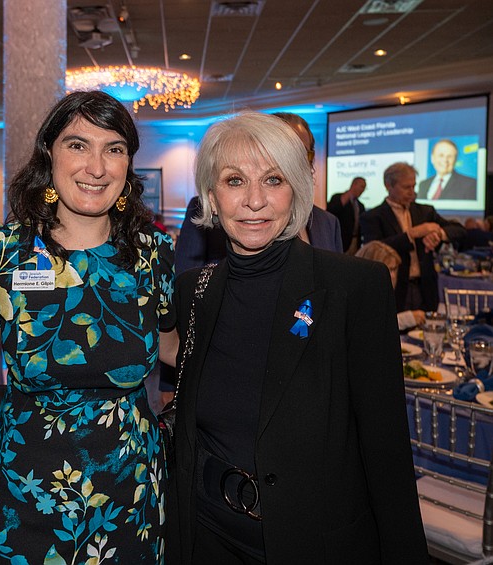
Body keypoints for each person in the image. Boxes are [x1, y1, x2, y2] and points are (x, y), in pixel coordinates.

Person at [168, 112, 426, 564]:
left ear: (297, 190)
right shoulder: (194, 291)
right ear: (211, 195)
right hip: (206, 537)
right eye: (234, 180)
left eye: (273, 179)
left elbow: (385, 449)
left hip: (315, 544)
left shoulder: (355, 287)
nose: (254, 200)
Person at [0, 90, 177, 564]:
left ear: (128, 166)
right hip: (23, 488)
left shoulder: (152, 253)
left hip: (130, 490)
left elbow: (173, 350)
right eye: (78, 145)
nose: (97, 167)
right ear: (49, 154)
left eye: (114, 149)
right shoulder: (2, 251)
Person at [360, 162, 465, 313]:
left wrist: (438, 234)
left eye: (413, 186)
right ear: (388, 185)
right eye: (406, 187)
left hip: (425, 287)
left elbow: (459, 230)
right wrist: (412, 234)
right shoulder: (373, 216)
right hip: (394, 289)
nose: (412, 192)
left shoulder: (425, 211)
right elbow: (374, 249)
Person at [272, 112, 343, 253]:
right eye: (285, 151)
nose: (294, 161)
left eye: (302, 153)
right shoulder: (252, 221)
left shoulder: (328, 223)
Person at [355, 241, 425, 330]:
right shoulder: (358, 297)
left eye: (394, 269)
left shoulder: (384, 295)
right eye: (388, 269)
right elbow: (369, 328)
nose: (393, 276)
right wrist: (406, 319)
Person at [326, 176, 366, 253]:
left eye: (364, 188)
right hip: (340, 240)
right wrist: (349, 194)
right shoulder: (337, 197)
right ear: (354, 184)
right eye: (362, 186)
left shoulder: (361, 205)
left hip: (355, 242)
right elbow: (332, 211)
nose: (363, 190)